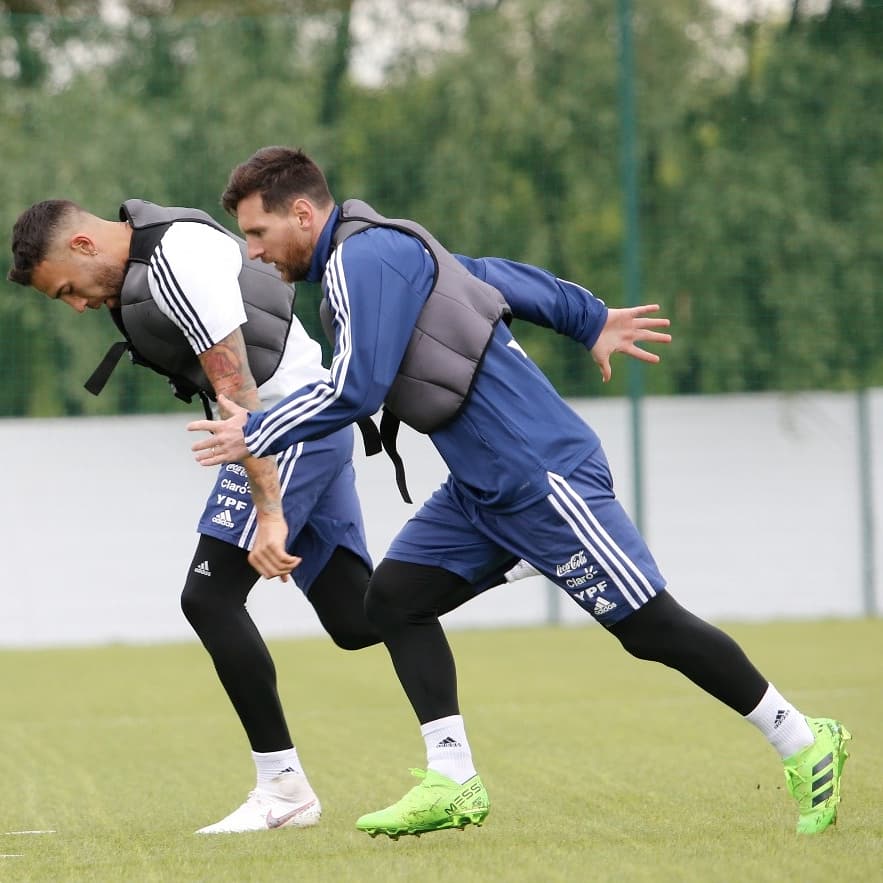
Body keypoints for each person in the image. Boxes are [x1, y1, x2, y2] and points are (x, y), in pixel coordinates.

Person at [188, 146, 851, 839]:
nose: (253, 251)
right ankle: (452, 779)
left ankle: (803, 738)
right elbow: (490, 276)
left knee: (649, 627)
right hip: (480, 491)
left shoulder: (362, 258)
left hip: (541, 474)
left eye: (258, 232)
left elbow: (358, 388)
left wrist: (256, 429)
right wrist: (588, 318)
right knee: (393, 600)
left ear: (302, 212)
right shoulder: (380, 249)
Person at [8, 197, 383, 834]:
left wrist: (269, 510)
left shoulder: (175, 261)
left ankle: (283, 788)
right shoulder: (153, 254)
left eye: (67, 290)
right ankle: (502, 554)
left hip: (285, 425)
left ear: (83, 246)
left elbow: (239, 394)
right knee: (358, 619)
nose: (77, 306)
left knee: (209, 598)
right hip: (303, 421)